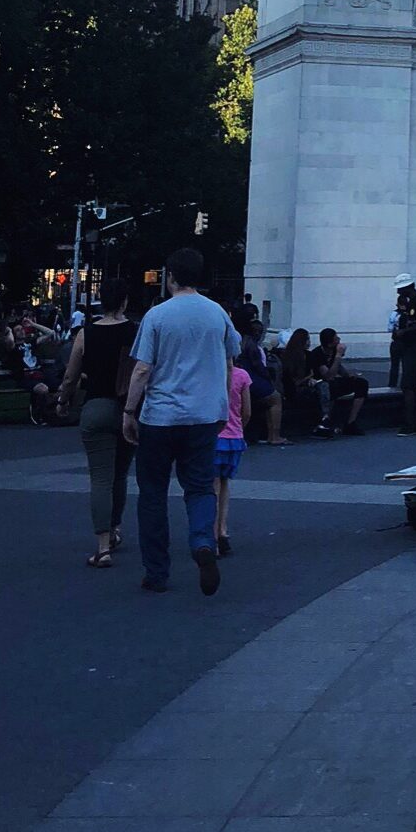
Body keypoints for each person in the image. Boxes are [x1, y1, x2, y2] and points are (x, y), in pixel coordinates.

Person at [122, 248, 239, 597]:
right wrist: (222, 407)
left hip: (160, 417)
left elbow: (142, 369)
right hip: (203, 416)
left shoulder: (157, 315)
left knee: (152, 492)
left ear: (170, 276)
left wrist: (129, 411)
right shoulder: (217, 314)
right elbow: (229, 362)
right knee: (200, 487)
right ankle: (203, 542)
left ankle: (156, 571)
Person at [58, 278, 139, 569]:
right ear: (125, 301)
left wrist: (63, 401)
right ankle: (115, 528)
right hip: (127, 408)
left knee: (100, 478)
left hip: (95, 407)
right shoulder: (135, 333)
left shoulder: (86, 334)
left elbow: (71, 376)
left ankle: (103, 546)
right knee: (120, 474)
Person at [214, 357, 251, 556]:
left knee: (211, 487)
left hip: (213, 437)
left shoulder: (209, 373)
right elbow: (247, 412)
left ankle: (212, 535)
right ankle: (223, 529)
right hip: (234, 437)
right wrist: (239, 427)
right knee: (224, 483)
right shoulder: (242, 376)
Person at [392, 273, 416, 434]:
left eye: (400, 289)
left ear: (407, 287)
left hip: (415, 347)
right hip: (411, 346)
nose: (398, 292)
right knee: (414, 385)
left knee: (407, 385)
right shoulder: (410, 302)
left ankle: (410, 424)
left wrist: (404, 331)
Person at [311, 328, 368, 435]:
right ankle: (326, 421)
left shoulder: (333, 351)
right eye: (336, 339)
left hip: (333, 382)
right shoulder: (317, 354)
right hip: (321, 384)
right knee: (331, 387)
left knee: (361, 383)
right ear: (329, 344)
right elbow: (329, 376)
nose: (339, 340)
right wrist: (338, 355)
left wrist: (349, 376)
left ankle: (351, 422)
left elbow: (339, 369)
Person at [238, 323, 287, 444]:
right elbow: (258, 366)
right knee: (275, 398)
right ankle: (274, 435)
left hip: (242, 378)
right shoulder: (252, 345)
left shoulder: (242, 341)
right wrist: (268, 378)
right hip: (251, 379)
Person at [279, 327, 323, 433]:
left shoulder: (308, 355)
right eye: (307, 339)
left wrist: (311, 378)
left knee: (323, 387)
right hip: (293, 389)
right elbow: (292, 381)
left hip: (305, 384)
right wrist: (308, 377)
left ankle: (324, 418)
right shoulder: (289, 357)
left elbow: (312, 373)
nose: (309, 342)